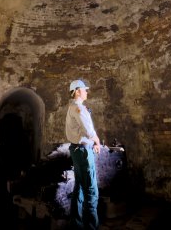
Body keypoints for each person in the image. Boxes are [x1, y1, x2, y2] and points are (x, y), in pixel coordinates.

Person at [65, 79, 101, 229]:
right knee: (91, 191)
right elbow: (88, 130)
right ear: (78, 91)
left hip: (76, 150)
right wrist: (97, 141)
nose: (87, 92)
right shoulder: (78, 107)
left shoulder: (72, 107)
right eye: (85, 90)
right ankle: (92, 226)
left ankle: (77, 224)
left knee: (79, 187)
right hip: (83, 151)